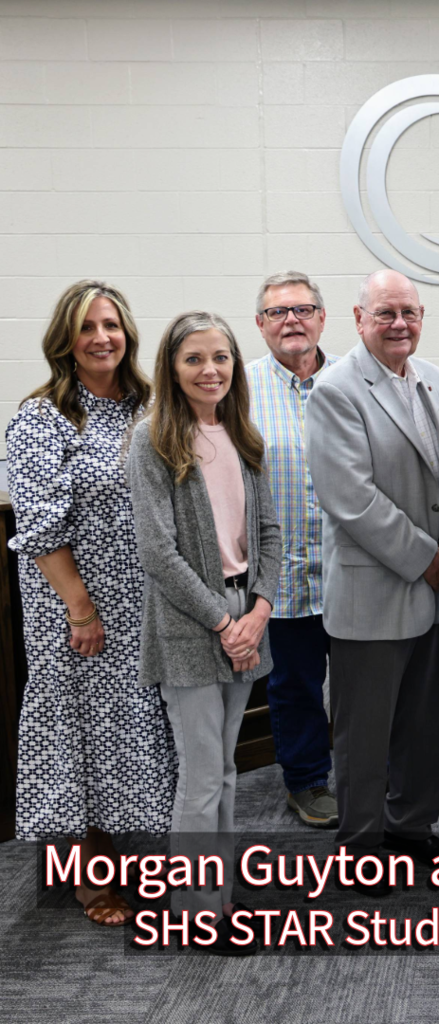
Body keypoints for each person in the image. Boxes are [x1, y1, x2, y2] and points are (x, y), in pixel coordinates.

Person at [5, 280, 176, 927]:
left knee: (128, 733)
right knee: (77, 735)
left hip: (143, 605)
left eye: (111, 324)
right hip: (75, 607)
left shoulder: (146, 407)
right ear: (65, 342)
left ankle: (123, 852)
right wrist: (80, 607)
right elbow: (41, 526)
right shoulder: (43, 417)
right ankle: (88, 874)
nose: (102, 337)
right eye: (87, 327)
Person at [128, 311, 281, 955]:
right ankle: (196, 912)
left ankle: (216, 893)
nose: (210, 370)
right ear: (172, 366)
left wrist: (259, 611)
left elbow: (269, 535)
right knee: (199, 773)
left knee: (225, 770)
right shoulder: (151, 440)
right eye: (194, 359)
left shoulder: (244, 436)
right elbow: (157, 553)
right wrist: (223, 622)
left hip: (246, 612)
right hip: (192, 623)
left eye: (220, 357)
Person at [305, 269, 439, 892]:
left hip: (436, 587)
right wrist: (427, 556)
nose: (400, 324)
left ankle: (410, 830)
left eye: (410, 313)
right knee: (363, 735)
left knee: (426, 730)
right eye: (386, 313)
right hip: (376, 588)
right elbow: (350, 499)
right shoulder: (336, 390)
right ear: (359, 317)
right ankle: (362, 845)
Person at [247, 271, 339, 829]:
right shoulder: (239, 387)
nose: (291, 321)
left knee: (360, 689)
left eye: (302, 309)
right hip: (280, 578)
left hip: (352, 572)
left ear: (323, 318)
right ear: (260, 325)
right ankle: (306, 781)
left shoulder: (355, 382)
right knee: (295, 684)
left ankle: (365, 775)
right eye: (278, 313)